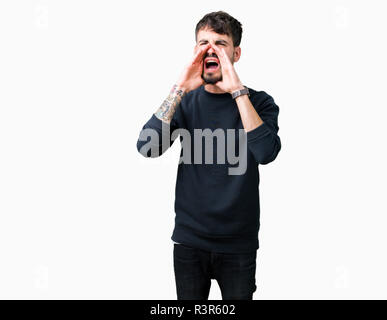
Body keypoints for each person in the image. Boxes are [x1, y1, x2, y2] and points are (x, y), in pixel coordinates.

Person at [136, 11, 281, 300]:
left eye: (220, 43)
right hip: (190, 242)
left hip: (238, 245)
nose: (210, 49)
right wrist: (179, 89)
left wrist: (238, 91)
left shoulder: (260, 103)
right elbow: (147, 147)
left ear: (236, 53)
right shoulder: (186, 101)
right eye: (203, 43)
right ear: (195, 52)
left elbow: (266, 153)